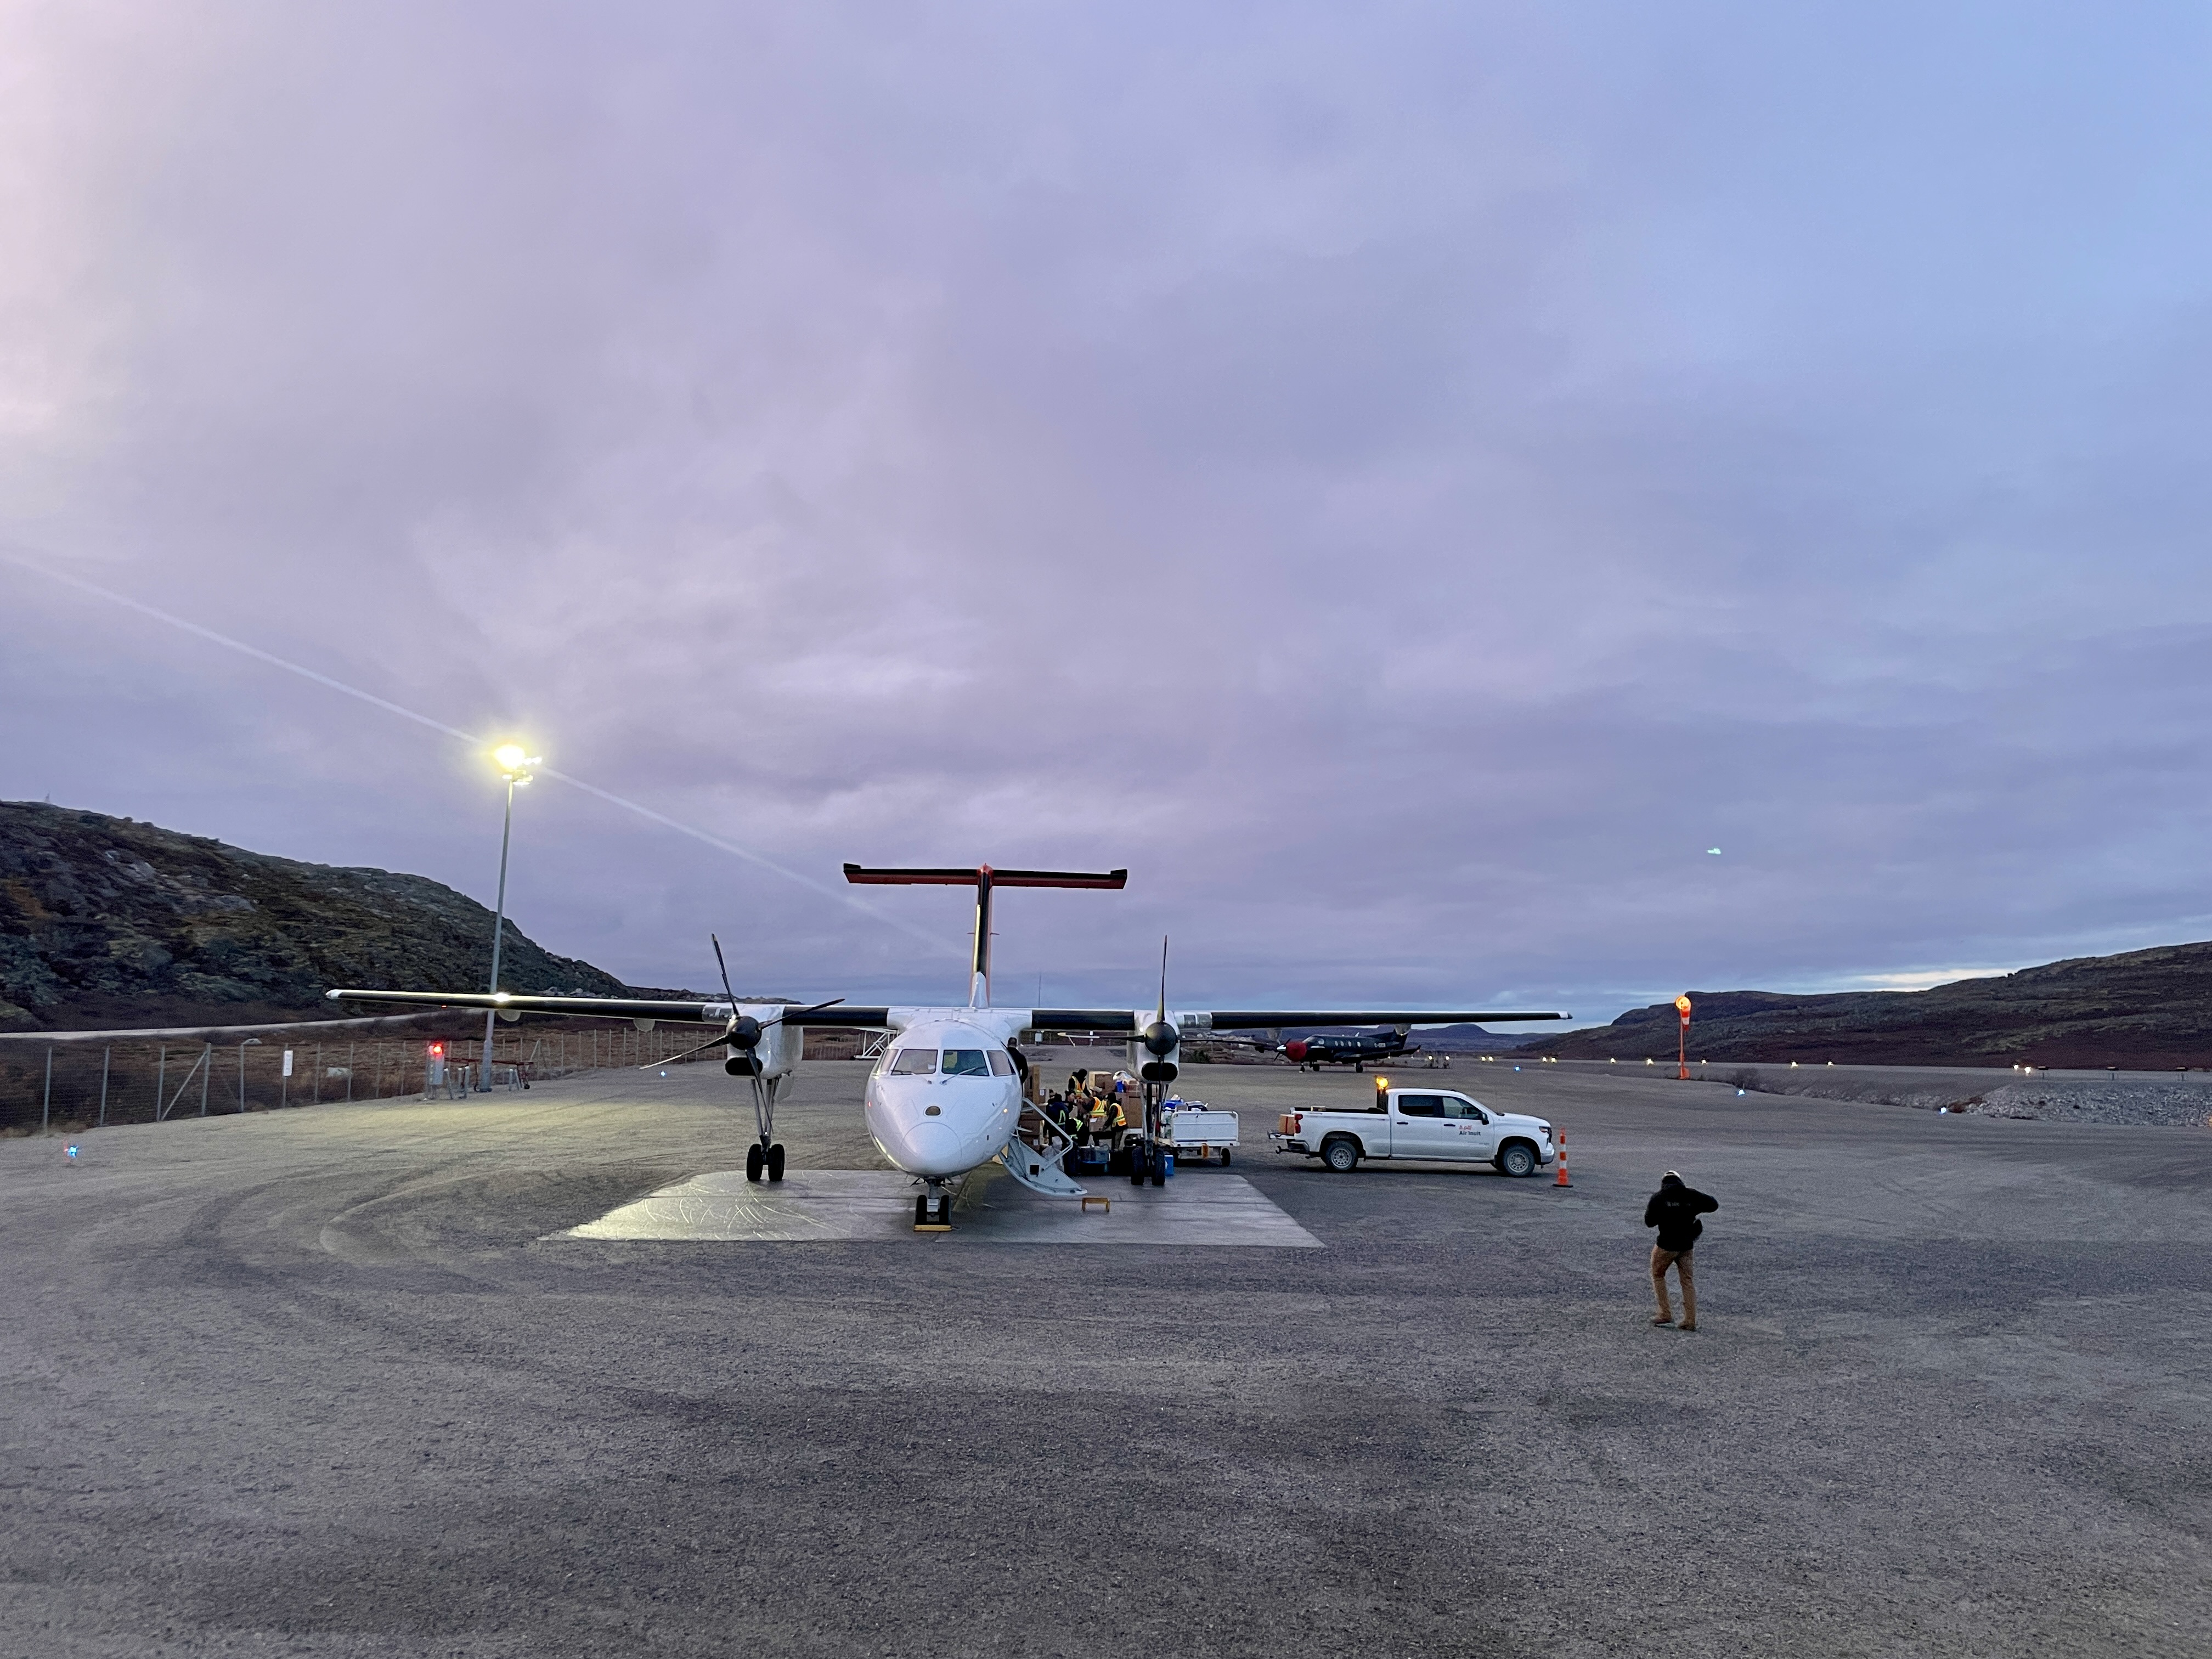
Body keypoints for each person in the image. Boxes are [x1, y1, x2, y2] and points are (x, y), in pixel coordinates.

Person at [1644, 1170, 1718, 1330]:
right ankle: (1690, 1320)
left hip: (1666, 1245)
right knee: (1687, 1280)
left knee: (1658, 1275)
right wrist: (1693, 1209)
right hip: (1686, 1245)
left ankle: (1665, 1313)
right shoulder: (1690, 1195)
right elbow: (1713, 1205)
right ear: (1680, 1181)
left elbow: (1649, 1222)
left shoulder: (1658, 1198)